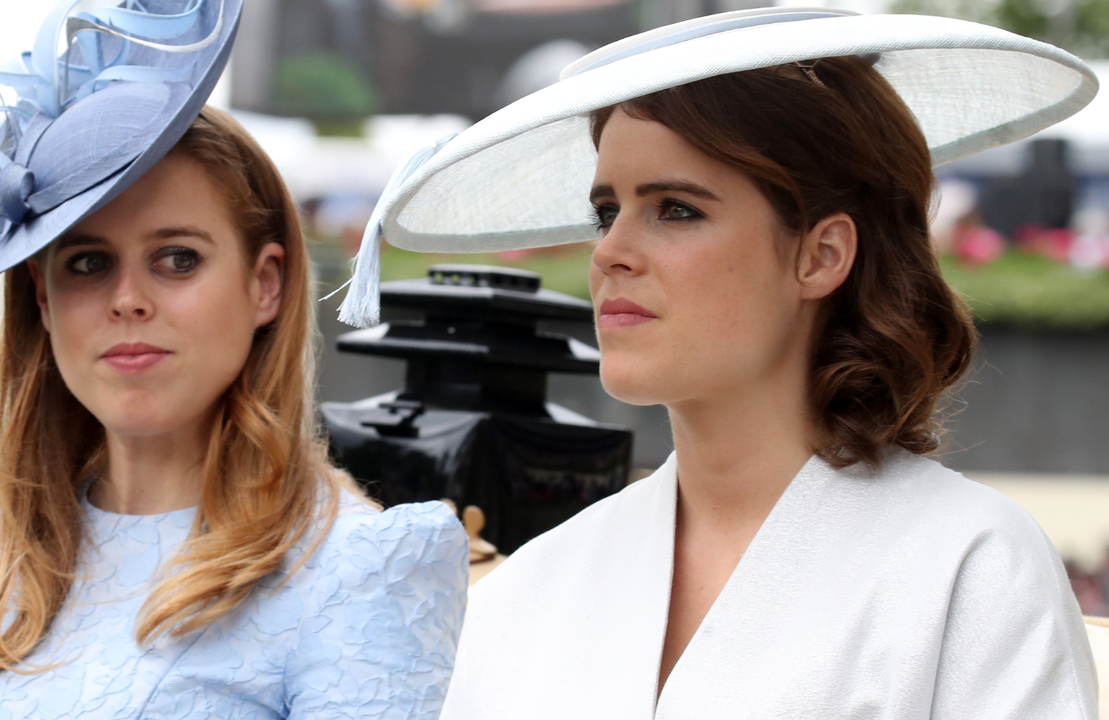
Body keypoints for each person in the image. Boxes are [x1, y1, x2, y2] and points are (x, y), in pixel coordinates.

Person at [337, 7, 1100, 719]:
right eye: (608, 211)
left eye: (676, 209)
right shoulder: (536, 584)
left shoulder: (968, 566)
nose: (609, 252)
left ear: (820, 254)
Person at [0, 2, 467, 718]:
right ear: (41, 298)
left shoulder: (360, 567)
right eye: (89, 263)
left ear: (266, 283)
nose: (127, 299)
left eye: (177, 259)